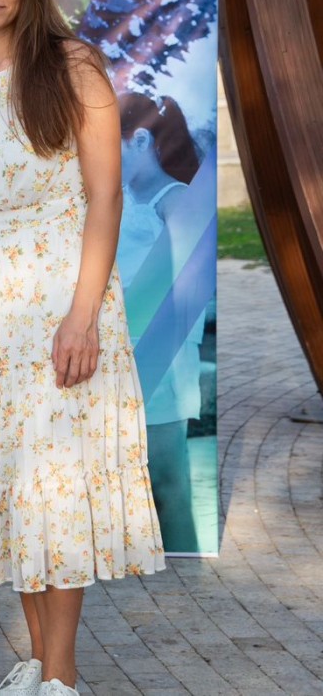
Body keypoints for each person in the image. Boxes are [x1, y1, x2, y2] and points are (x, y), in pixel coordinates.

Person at [0, 0, 164, 696]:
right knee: (13, 488)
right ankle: (37, 665)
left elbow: (106, 199)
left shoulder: (75, 66)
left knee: (56, 489)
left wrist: (83, 315)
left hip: (64, 296)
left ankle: (59, 677)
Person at [117, 91, 205, 553]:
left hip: (158, 358)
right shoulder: (122, 199)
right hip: (117, 352)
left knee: (168, 483)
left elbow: (184, 283)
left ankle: (188, 576)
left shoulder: (176, 200)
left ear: (139, 140)